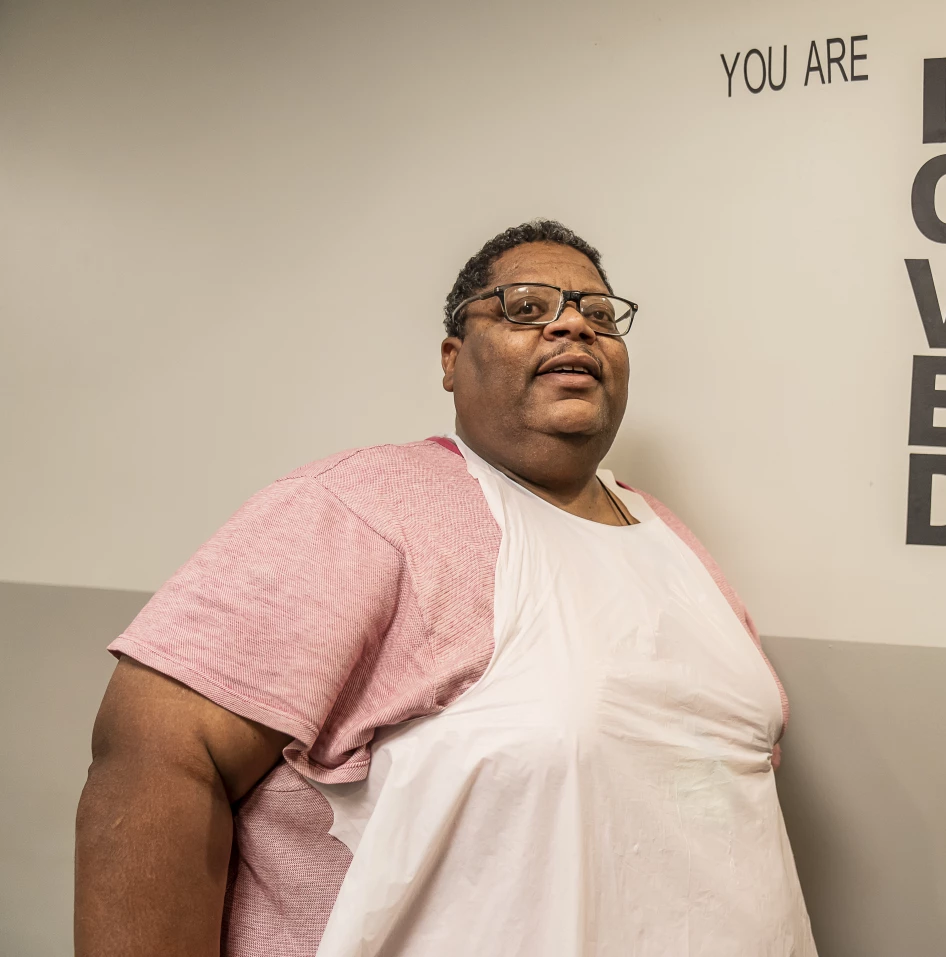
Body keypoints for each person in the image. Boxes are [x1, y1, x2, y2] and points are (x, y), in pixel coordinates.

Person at [75, 219, 817, 956]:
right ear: (452, 359)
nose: (574, 327)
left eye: (599, 314)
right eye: (526, 307)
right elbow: (157, 751)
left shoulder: (672, 541)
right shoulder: (362, 507)